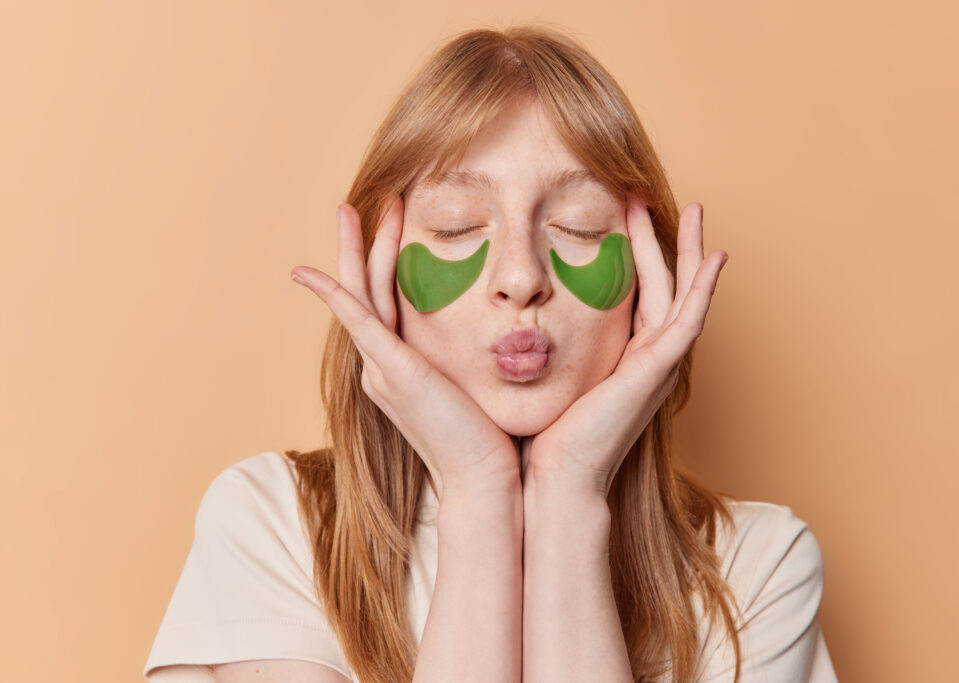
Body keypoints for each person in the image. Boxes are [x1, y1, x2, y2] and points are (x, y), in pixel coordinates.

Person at [143, 25, 838, 683]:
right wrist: (478, 490)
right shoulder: (273, 526)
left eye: (578, 226)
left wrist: (569, 494)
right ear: (378, 271)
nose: (520, 276)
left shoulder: (758, 568)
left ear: (650, 276)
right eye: (455, 226)